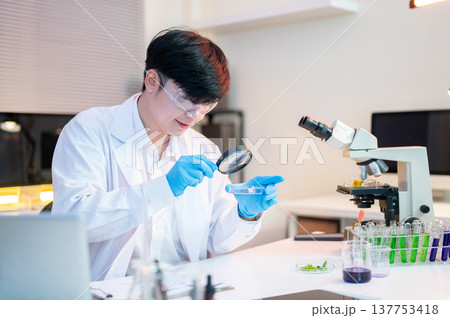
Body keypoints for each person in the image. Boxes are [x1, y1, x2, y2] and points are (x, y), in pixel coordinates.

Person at [51, 28, 284, 281]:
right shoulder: (90, 129)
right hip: (112, 294)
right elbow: (74, 222)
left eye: (207, 105)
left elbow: (216, 241)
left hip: (185, 291)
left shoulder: (202, 147)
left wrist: (245, 213)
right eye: (186, 99)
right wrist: (165, 188)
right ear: (152, 81)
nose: (195, 116)